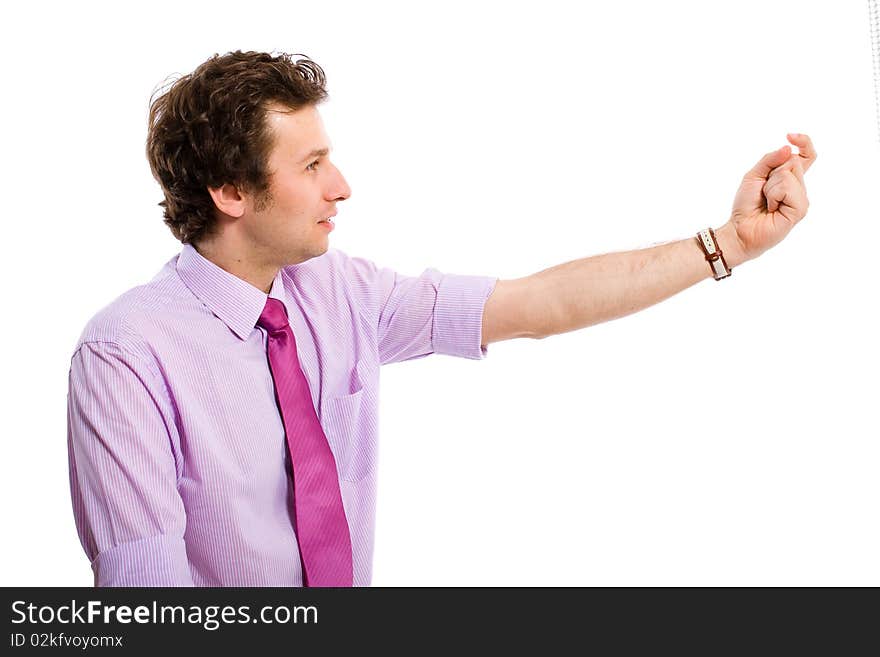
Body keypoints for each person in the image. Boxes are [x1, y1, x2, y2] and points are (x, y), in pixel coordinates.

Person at [66, 50, 817, 587]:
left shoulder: (341, 291)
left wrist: (729, 243)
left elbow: (538, 304)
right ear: (231, 191)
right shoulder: (126, 355)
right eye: (310, 165)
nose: (342, 185)